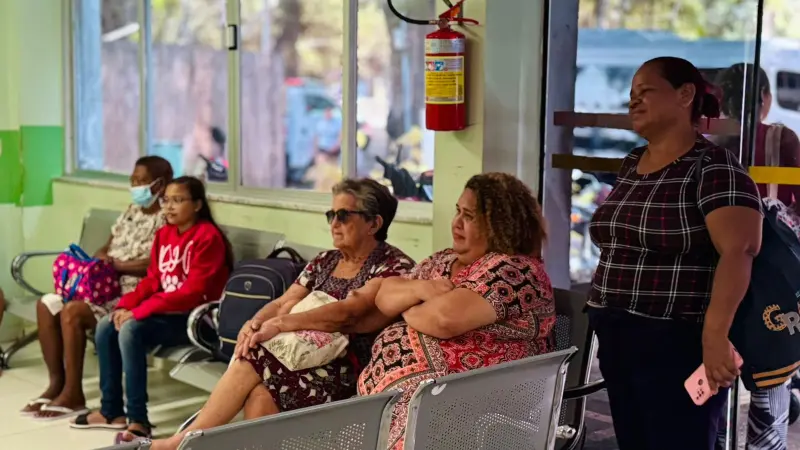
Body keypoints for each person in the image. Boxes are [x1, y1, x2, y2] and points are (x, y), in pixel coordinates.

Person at [149, 178, 414, 450]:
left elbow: (348, 314)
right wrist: (255, 323)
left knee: (256, 355)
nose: (334, 223)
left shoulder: (394, 267)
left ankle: (183, 441)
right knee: (260, 392)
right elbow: (284, 302)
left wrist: (279, 324)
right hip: (297, 358)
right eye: (331, 215)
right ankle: (186, 442)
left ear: (374, 224)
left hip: (347, 370)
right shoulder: (325, 260)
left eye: (344, 215)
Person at [588, 56, 762, 450]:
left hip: (675, 341)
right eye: (631, 94)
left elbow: (740, 249)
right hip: (617, 334)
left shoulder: (713, 166)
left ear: (685, 95)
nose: (634, 101)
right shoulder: (633, 163)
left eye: (645, 91)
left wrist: (715, 335)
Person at [357, 172, 556, 449]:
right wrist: (421, 291)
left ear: (500, 225)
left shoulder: (516, 271)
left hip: (480, 405)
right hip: (424, 400)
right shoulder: (443, 260)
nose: (456, 223)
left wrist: (410, 300)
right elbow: (385, 297)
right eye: (457, 211)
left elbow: (442, 320)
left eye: (469, 216)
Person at [71, 176, 234, 442]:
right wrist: (125, 305)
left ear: (197, 205)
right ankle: (111, 411)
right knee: (106, 325)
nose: (169, 207)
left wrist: (139, 312)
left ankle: (139, 421)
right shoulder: (164, 234)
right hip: (167, 313)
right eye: (166, 200)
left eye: (178, 200)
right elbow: (153, 280)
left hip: (195, 320)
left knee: (130, 329)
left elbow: (192, 293)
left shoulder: (208, 237)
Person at [20, 156, 172, 420]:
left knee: (72, 312)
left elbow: (157, 264)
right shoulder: (132, 211)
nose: (136, 186)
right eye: (133, 180)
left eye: (142, 181)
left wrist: (119, 266)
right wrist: (101, 259)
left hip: (130, 294)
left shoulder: (166, 219)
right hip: (102, 287)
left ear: (160, 184)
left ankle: (73, 394)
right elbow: (107, 246)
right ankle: (56, 384)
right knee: (46, 304)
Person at [716, 63, 800, 450]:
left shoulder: (711, 143)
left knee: (717, 373)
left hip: (719, 270)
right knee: (771, 375)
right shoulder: (781, 138)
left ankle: (717, 436)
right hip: (769, 275)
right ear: (764, 99)